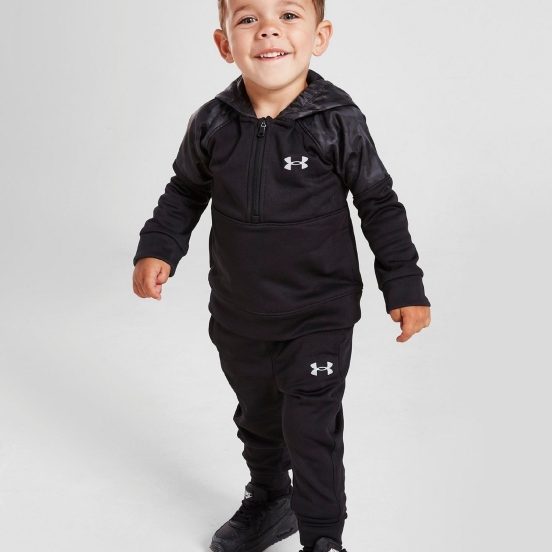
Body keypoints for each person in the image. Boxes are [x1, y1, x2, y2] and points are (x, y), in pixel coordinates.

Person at [132, 1, 432, 551]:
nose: (268, 28)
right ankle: (271, 499)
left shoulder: (336, 120)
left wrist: (404, 283)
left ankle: (323, 538)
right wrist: (158, 247)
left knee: (311, 427)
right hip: (239, 312)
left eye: (289, 15)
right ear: (224, 44)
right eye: (248, 18)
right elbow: (185, 191)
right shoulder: (213, 122)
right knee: (260, 417)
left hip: (319, 312)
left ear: (320, 37)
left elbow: (378, 203)